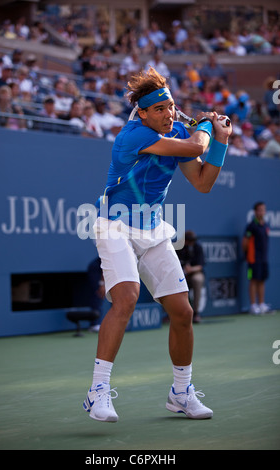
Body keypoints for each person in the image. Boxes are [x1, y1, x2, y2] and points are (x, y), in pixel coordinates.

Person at [83, 66, 232, 423]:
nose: (168, 114)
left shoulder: (178, 131)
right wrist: (207, 129)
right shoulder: (131, 136)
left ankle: (181, 393)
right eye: (159, 110)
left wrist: (220, 142)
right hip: (114, 225)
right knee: (127, 297)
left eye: (170, 107)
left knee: (183, 312)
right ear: (144, 113)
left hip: (153, 230)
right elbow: (197, 144)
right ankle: (97, 391)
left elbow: (202, 182)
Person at [242, 202, 270, 315]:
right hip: (253, 259)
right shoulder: (251, 226)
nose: (262, 212)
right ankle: (253, 305)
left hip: (264, 259)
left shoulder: (265, 225)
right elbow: (245, 242)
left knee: (262, 280)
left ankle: (261, 304)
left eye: (263, 210)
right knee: (253, 280)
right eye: (259, 210)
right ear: (255, 212)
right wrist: (247, 255)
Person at [176, 231, 205, 324]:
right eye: (189, 241)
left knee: (197, 279)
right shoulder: (177, 247)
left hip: (194, 273)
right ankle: (175, 313)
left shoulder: (197, 247)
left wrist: (191, 269)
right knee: (172, 281)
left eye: (192, 241)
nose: (191, 243)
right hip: (180, 274)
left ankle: (196, 313)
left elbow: (200, 266)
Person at [87, 257, 105, 333]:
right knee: (98, 293)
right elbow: (104, 267)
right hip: (96, 269)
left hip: (102, 269)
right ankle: (94, 324)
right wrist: (102, 284)